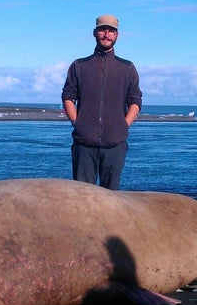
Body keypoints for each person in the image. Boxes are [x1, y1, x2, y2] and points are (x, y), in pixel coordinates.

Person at [61, 14, 142, 190]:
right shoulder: (79, 66)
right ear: (95, 33)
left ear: (117, 35)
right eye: (103, 30)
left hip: (115, 145)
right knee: (82, 198)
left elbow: (135, 100)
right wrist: (77, 122)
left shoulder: (127, 68)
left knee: (112, 199)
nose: (107, 34)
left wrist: (124, 124)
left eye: (111, 31)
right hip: (84, 145)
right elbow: (68, 96)